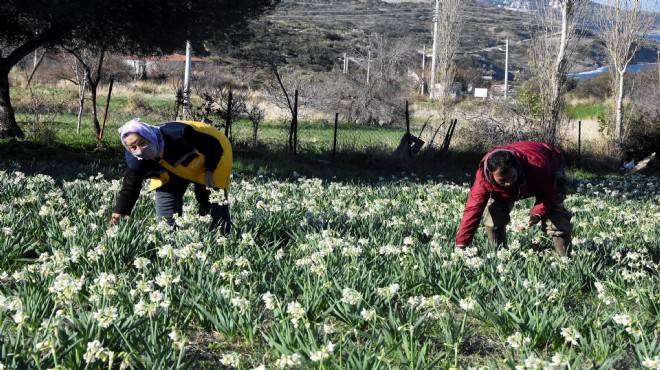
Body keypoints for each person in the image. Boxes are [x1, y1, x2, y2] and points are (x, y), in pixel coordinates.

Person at [111, 118, 232, 233]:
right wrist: (119, 213)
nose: (140, 149)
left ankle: (218, 235)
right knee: (166, 212)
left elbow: (214, 146)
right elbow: (130, 187)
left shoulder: (180, 135)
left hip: (209, 153)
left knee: (212, 198)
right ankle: (170, 241)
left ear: (149, 136)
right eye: (133, 147)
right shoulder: (136, 161)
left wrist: (210, 170)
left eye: (142, 143)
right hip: (169, 164)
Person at [455, 141, 572, 256]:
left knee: (555, 215)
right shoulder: (483, 180)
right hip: (520, 175)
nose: (508, 183)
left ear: (517, 167)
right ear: (491, 174)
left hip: (549, 164)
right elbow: (473, 210)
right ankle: (500, 255)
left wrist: (536, 215)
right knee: (495, 215)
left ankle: (565, 259)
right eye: (502, 180)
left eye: (512, 177)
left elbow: (548, 196)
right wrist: (461, 244)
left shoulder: (539, 167)